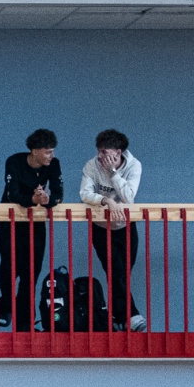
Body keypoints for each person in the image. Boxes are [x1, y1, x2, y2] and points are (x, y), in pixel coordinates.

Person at [80, 128, 146, 332]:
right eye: (99, 151)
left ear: (118, 152)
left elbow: (128, 197)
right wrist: (106, 200)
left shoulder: (134, 165)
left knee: (121, 274)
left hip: (126, 226)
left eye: (104, 152)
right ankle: (132, 315)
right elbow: (84, 193)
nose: (100, 156)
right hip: (100, 228)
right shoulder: (92, 165)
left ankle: (118, 317)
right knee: (116, 271)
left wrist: (113, 174)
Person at [0, 128, 63, 331]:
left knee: (31, 273)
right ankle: (6, 305)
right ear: (34, 151)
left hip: (36, 223)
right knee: (9, 268)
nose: (51, 155)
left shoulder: (54, 164)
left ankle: (24, 323)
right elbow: (12, 194)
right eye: (47, 152)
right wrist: (32, 199)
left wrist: (47, 199)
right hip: (10, 222)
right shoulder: (14, 161)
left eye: (52, 151)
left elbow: (59, 194)